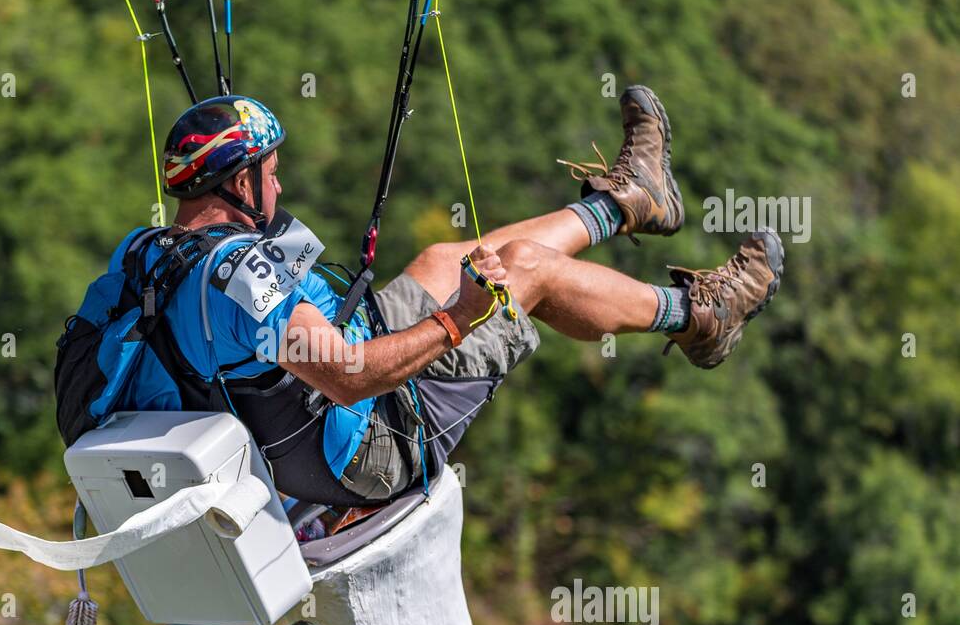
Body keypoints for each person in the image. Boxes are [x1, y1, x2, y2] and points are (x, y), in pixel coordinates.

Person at [87, 87, 784, 505]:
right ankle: (701, 315)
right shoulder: (243, 281)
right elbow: (347, 375)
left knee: (445, 256)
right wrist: (457, 320)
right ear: (238, 185)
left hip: (295, 410)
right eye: (269, 173)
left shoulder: (146, 252)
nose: (280, 188)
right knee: (524, 273)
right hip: (371, 443)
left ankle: (633, 201)